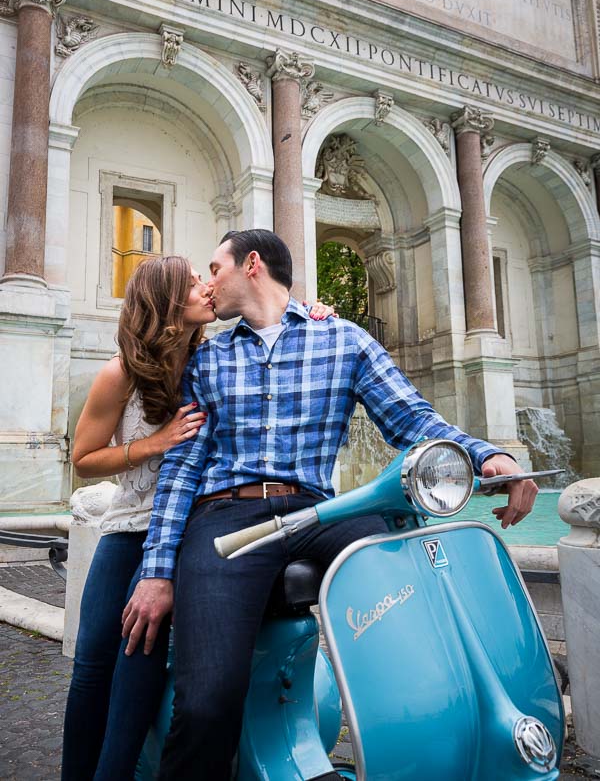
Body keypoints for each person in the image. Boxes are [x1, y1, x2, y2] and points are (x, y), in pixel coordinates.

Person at [123, 230, 538, 781]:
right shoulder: (207, 357)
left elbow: (412, 421)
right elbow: (182, 470)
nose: (208, 281)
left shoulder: (345, 340)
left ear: (252, 265)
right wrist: (157, 572)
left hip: (319, 514)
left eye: (214, 267)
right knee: (206, 702)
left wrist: (488, 457)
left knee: (409, 545)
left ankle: (460, 710)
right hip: (225, 520)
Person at [61, 253, 336, 781]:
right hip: (129, 528)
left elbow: (274, 325)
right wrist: (152, 445)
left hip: (188, 531)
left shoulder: (212, 358)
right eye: (192, 284)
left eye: (207, 277)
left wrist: (311, 313)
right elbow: (83, 460)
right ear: (165, 301)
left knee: (140, 661)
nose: (208, 288)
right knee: (93, 662)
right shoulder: (122, 371)